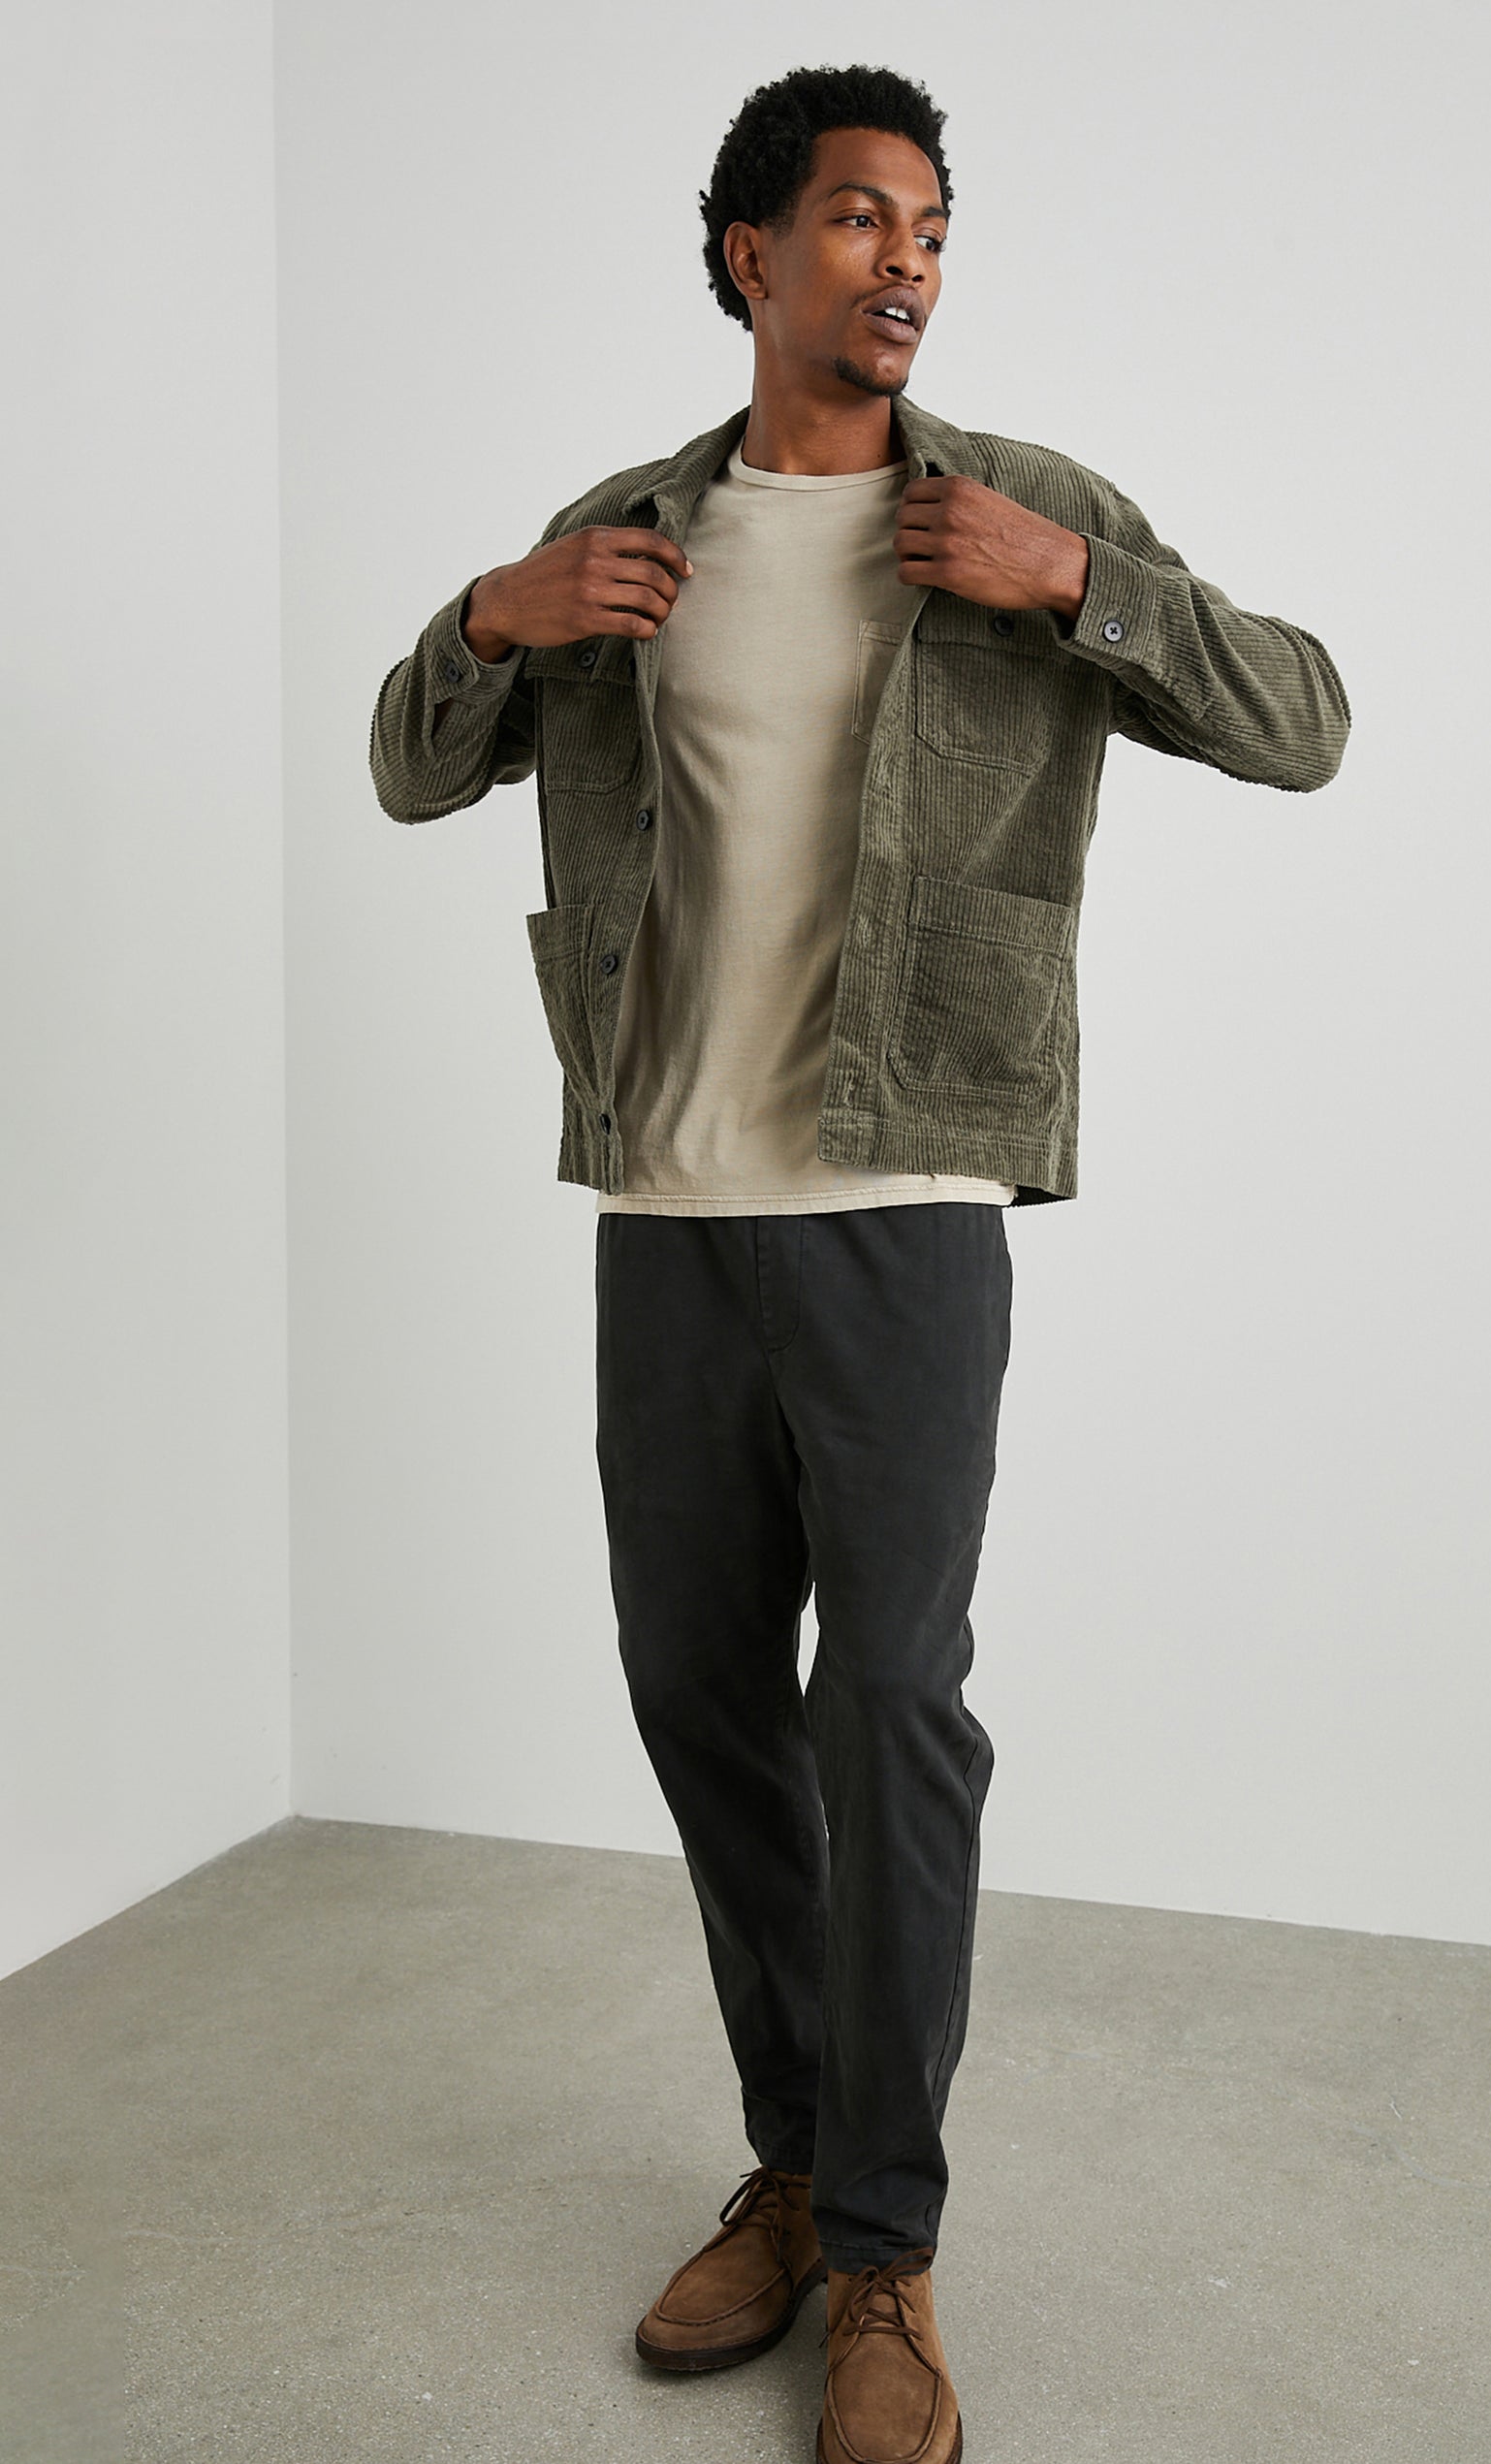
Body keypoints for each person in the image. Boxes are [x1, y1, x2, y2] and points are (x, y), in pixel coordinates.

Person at [369, 60, 1349, 2464]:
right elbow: (409, 759)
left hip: (903, 1201)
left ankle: (888, 2252)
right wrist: (488, 619)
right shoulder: (620, 532)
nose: (901, 259)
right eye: (852, 218)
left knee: (886, 1704)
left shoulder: (1013, 509)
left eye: (927, 225)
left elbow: (1303, 719)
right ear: (746, 253)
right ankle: (795, 2164)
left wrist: (1079, 588)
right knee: (700, 1693)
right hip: (666, 1210)